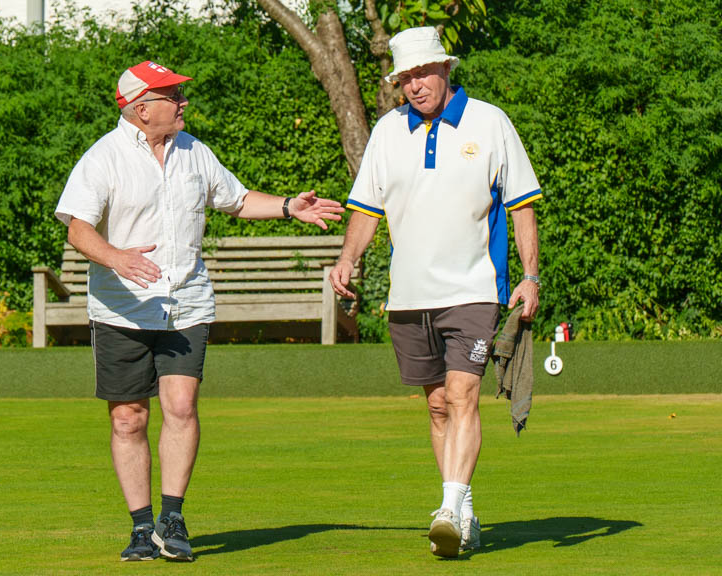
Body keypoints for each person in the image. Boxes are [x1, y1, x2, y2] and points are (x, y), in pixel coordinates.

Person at [55, 60, 344, 562]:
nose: (183, 102)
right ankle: (142, 528)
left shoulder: (194, 152)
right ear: (142, 109)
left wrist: (286, 207)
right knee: (128, 418)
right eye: (173, 95)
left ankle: (173, 517)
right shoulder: (102, 158)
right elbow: (77, 228)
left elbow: (235, 199)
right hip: (122, 309)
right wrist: (117, 257)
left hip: (186, 302)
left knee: (182, 407)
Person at [329, 27, 541, 557]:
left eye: (423, 73)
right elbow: (366, 209)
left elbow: (523, 205)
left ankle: (447, 508)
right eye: (405, 78)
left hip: (474, 288)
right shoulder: (386, 131)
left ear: (446, 70)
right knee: (438, 405)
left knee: (464, 393)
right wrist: (347, 259)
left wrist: (530, 276)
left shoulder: (490, 122)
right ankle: (463, 506)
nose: (415, 86)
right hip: (408, 295)